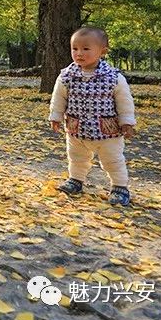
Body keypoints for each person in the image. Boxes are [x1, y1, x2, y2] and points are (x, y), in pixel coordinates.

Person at [49, 26, 136, 206]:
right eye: (75, 49)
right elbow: (59, 98)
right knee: (76, 157)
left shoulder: (113, 77)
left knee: (112, 159)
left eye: (86, 49)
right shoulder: (66, 76)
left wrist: (127, 121)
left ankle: (120, 186)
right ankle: (76, 179)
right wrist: (55, 116)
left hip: (107, 131)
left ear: (102, 51)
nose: (79, 53)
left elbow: (124, 100)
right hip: (76, 128)